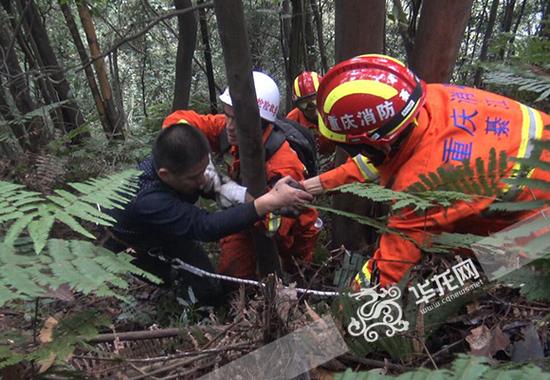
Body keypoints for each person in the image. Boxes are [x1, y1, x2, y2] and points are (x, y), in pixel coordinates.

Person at [301, 54, 550, 289]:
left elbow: (387, 274)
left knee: (463, 283)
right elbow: (377, 162)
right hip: (532, 171)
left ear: (378, 143)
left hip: (539, 224)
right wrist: (310, 187)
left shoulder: (422, 187)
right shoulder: (426, 102)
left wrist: (344, 308)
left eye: (350, 146)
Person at [105, 124, 313, 306]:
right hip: (139, 241)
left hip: (169, 223)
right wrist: (269, 202)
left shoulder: (184, 164)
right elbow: (204, 226)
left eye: (206, 168)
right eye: (195, 177)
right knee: (196, 289)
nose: (203, 179)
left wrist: (263, 200)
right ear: (165, 175)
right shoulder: (148, 200)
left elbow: (217, 187)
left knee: (207, 283)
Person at [163, 71, 321, 279]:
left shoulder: (283, 166)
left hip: (289, 237)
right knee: (232, 279)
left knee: (290, 282)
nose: (229, 126)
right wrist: (192, 152)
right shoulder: (232, 128)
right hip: (246, 217)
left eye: (236, 119)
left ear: (261, 122)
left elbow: (277, 227)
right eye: (227, 115)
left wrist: (225, 189)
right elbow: (178, 120)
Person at [287, 71, 335, 155]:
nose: (311, 108)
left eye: (315, 100)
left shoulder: (336, 110)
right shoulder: (292, 121)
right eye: (304, 104)